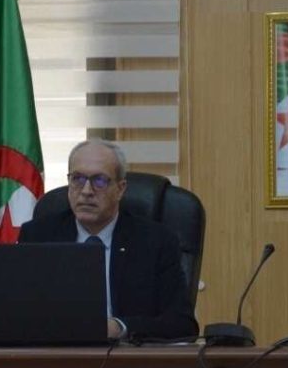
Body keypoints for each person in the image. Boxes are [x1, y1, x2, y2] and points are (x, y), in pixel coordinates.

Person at [18, 140, 199, 341]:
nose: (86, 191)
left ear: (120, 189)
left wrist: (120, 327)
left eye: (100, 180)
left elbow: (182, 324)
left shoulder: (156, 242)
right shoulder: (38, 236)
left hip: (127, 357)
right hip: (54, 355)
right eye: (77, 179)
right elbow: (17, 313)